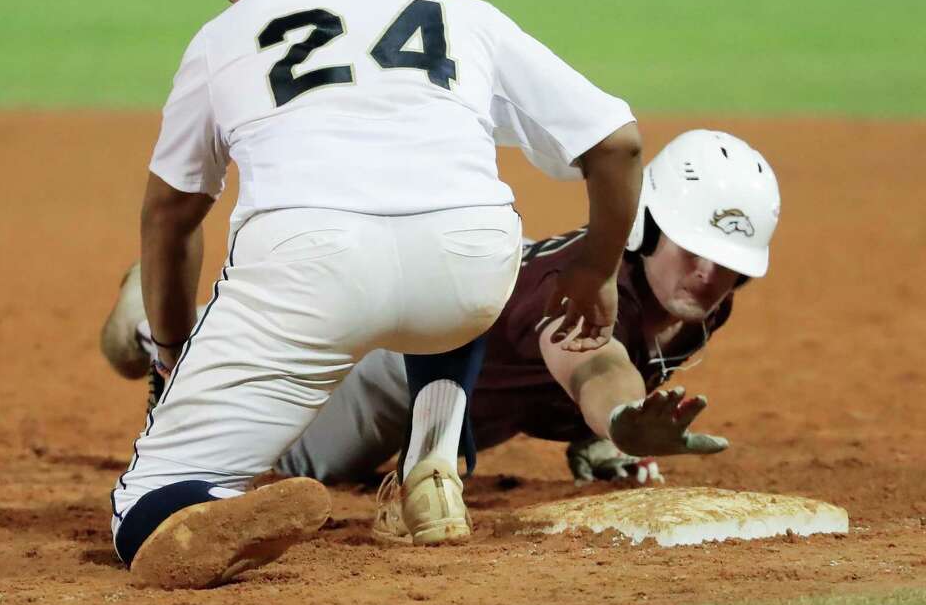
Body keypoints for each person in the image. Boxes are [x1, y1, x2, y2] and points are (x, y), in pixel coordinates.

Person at [108, 0, 641, 588]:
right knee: (449, 221)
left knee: (143, 506)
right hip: (469, 271)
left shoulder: (224, 34)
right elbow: (617, 144)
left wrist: (172, 351)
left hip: (311, 267)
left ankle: (192, 505)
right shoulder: (463, 14)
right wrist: (596, 267)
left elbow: (172, 215)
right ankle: (434, 466)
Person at [106, 130, 780, 546]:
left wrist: (596, 438)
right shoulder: (579, 290)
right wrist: (622, 419)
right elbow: (594, 365)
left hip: (444, 375)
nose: (709, 274)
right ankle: (154, 318)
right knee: (297, 464)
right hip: (392, 372)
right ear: (647, 227)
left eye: (730, 264)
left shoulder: (697, 306)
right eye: (694, 249)